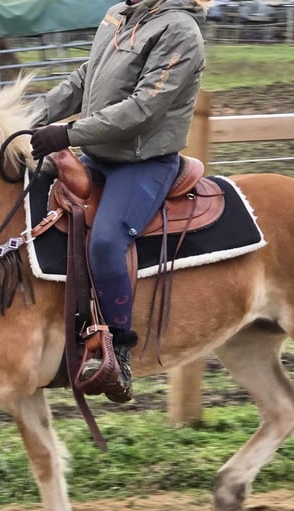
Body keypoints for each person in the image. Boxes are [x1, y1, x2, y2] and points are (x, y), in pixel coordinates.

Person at [29, 0, 209, 402]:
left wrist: (68, 135)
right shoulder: (118, 14)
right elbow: (84, 79)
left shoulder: (179, 30)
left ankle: (118, 353)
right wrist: (29, 114)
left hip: (144, 163)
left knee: (108, 241)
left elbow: (145, 108)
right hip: (99, 154)